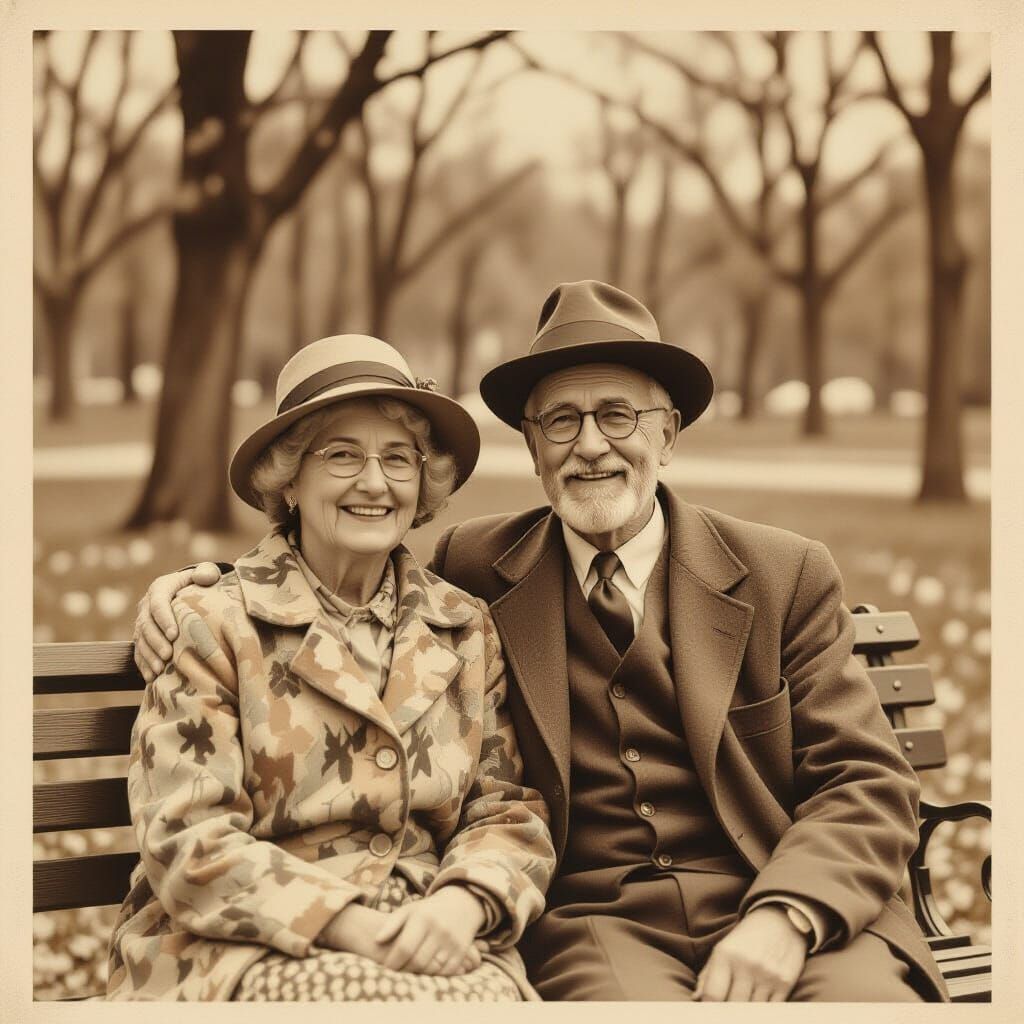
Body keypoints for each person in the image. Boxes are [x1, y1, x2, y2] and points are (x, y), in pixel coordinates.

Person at [133, 281, 948, 1002]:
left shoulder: (783, 574)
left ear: (669, 436)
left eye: (619, 415)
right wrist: (192, 584)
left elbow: (867, 781)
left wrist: (789, 916)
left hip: (791, 904)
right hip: (607, 927)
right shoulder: (475, 574)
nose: (590, 444)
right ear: (531, 447)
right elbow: (322, 555)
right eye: (562, 420)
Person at [108, 335, 555, 1001]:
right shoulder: (213, 623)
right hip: (233, 947)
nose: (374, 483)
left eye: (398, 460)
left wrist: (463, 903)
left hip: (423, 926)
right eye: (343, 456)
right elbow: (186, 833)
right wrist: (349, 927)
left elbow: (504, 810)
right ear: (289, 477)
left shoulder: (462, 626)